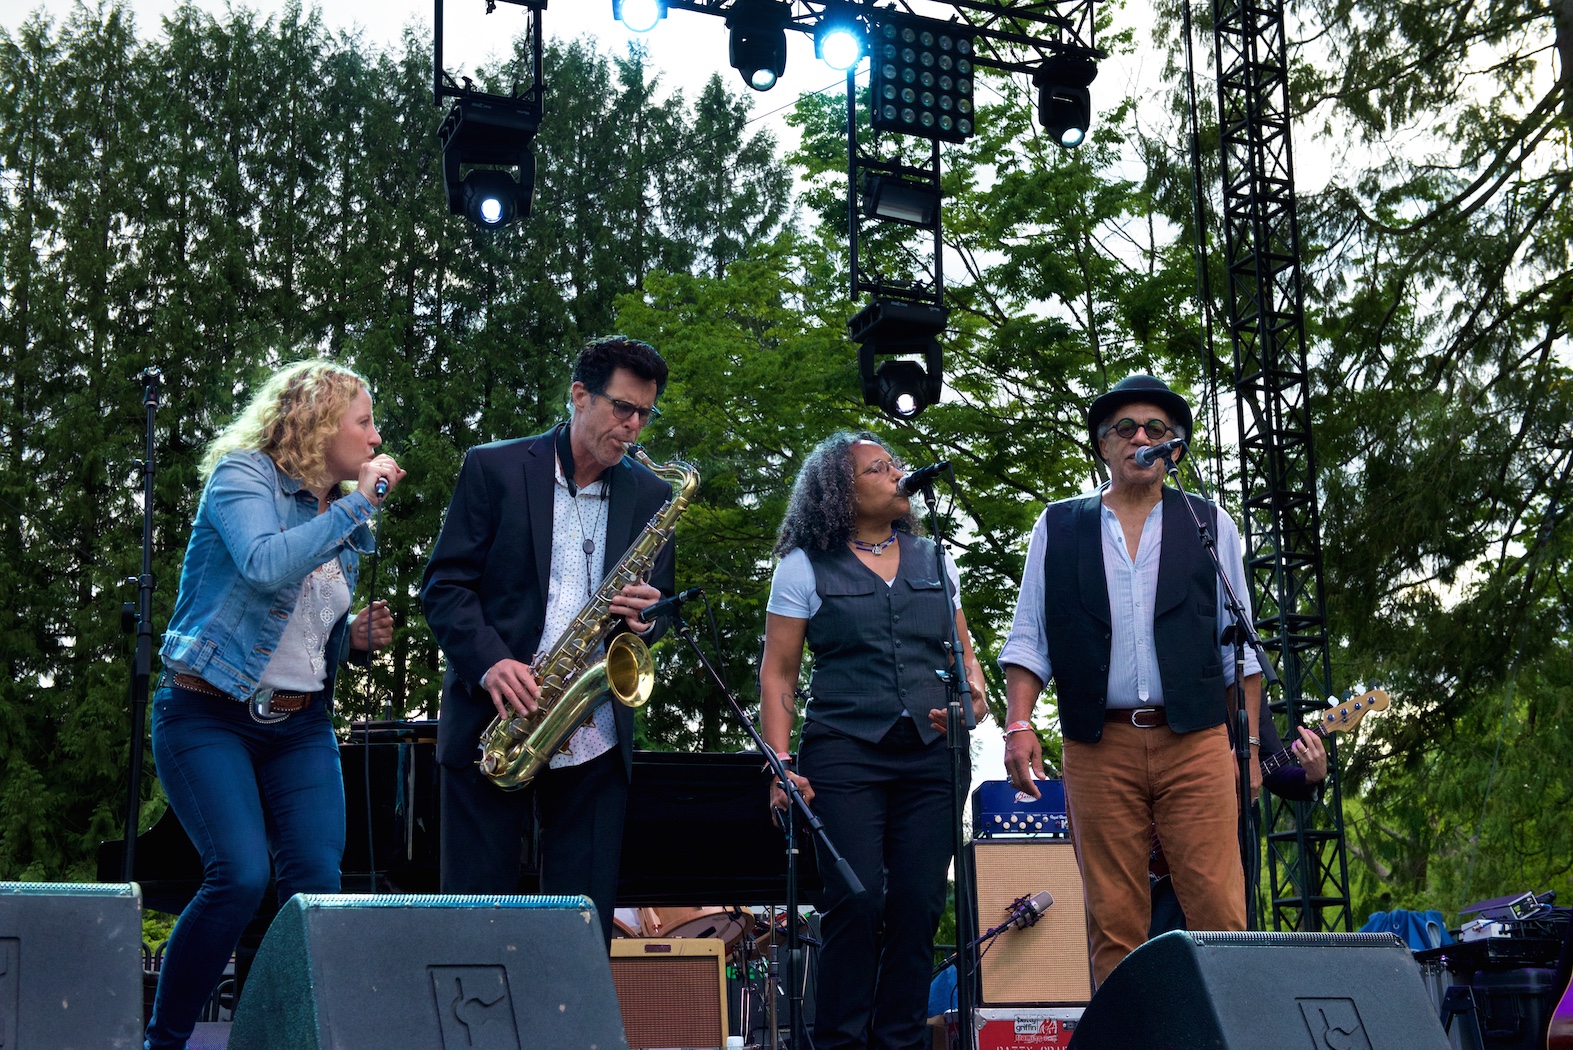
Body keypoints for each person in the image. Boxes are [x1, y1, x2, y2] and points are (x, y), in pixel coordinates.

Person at [146, 360, 403, 1050]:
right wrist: (358, 505)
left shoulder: (338, 509)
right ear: (320, 424)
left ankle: (267, 1037)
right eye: (364, 421)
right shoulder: (243, 476)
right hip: (206, 710)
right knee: (239, 875)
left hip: (299, 722)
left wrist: (352, 639)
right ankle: (164, 1042)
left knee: (315, 883)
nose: (376, 436)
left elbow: (296, 625)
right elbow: (263, 564)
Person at [999, 373, 1263, 988]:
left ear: (1174, 447)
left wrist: (1246, 751)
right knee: (1115, 923)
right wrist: (1019, 723)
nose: (1141, 437)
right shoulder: (1058, 526)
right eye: (1126, 428)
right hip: (1100, 744)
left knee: (1221, 913)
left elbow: (1240, 651)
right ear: (1103, 445)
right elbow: (1030, 636)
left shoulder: (1208, 522)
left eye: (1157, 430)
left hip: (1195, 739)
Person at [421, 336, 675, 945]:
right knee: (477, 928)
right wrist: (490, 664)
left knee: (581, 932)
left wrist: (646, 619)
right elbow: (444, 586)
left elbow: (659, 614)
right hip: (497, 726)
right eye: (622, 409)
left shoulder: (652, 495)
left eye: (645, 413)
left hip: (594, 734)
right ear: (579, 396)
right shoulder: (495, 468)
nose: (634, 427)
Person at [759, 431, 988, 1050]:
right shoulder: (803, 565)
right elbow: (778, 671)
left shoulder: (936, 559)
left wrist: (972, 703)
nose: (897, 475)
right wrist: (781, 766)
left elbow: (967, 661)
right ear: (841, 491)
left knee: (917, 904)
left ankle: (901, 1042)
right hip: (844, 749)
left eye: (896, 465)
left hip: (931, 758)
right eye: (879, 468)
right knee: (857, 901)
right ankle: (838, 1041)